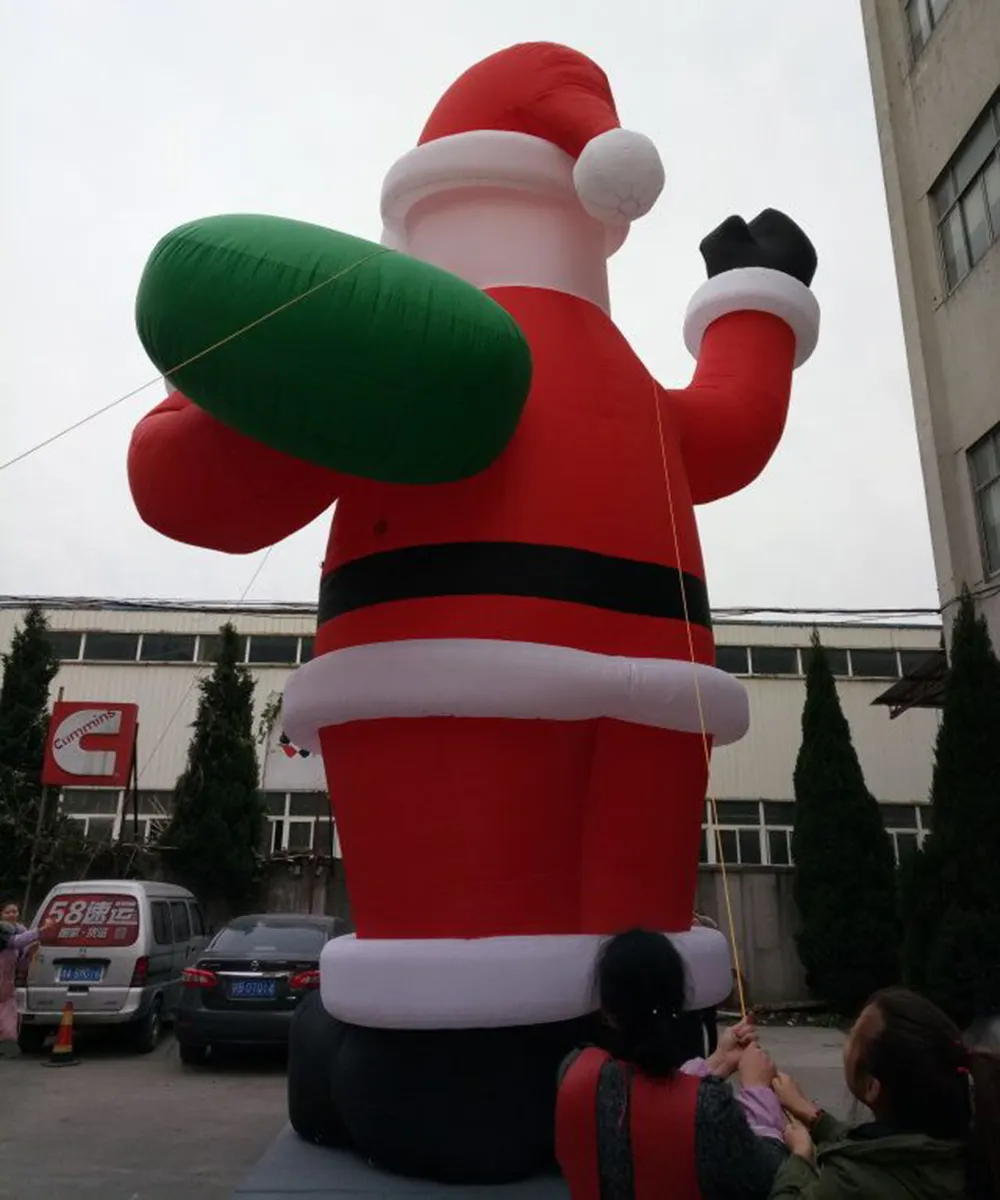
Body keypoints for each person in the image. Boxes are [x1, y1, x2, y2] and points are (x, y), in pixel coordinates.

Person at [556, 929, 787, 1199]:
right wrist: (758, 1090)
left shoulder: (573, 1073)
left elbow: (644, 1094)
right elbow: (768, 1177)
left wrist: (718, 1061)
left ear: (607, 1012)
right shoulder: (710, 1109)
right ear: (678, 1003)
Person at [769, 987, 1000, 1199]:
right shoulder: (971, 1140)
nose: (846, 1040)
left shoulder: (848, 1182)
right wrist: (815, 1117)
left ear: (872, 1087)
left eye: (852, 1036)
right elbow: (889, 1149)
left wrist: (800, 1156)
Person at [0, 903, 55, 1058]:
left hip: (7, 981)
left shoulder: (20, 929)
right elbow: (15, 942)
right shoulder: (3, 930)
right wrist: (42, 930)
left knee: (9, 1013)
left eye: (14, 911)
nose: (11, 914)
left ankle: (7, 1045)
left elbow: (21, 958)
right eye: (7, 912)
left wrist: (30, 953)